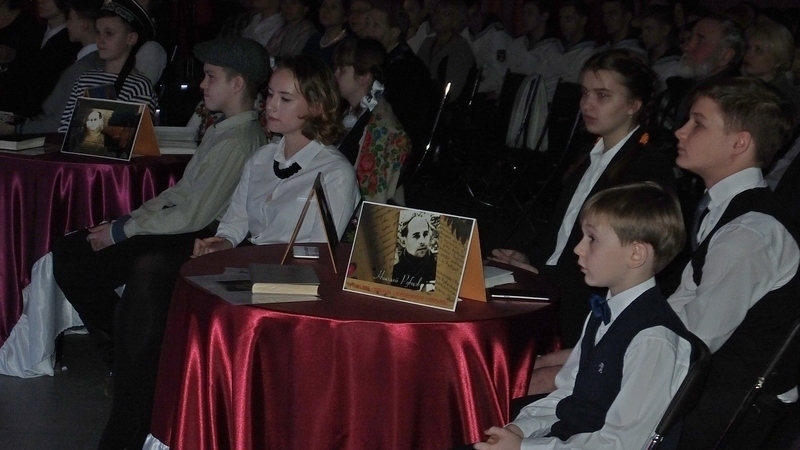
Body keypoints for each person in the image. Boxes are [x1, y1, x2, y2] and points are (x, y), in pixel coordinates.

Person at [51, 36, 271, 449]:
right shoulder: (224, 130)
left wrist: (124, 231)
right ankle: (122, 354)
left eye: (210, 77)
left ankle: (132, 373)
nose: (201, 84)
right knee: (72, 252)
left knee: (131, 268)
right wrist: (126, 222)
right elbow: (181, 194)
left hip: (200, 237)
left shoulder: (241, 139)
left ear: (238, 84)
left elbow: (194, 215)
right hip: (184, 227)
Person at [489, 49, 676, 392]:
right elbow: (562, 229)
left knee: (496, 352)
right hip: (559, 281)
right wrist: (530, 257)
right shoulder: (590, 153)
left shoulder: (645, 168)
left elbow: (620, 264)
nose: (587, 104)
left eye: (602, 96)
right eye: (585, 93)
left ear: (634, 105)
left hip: (587, 302)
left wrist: (543, 275)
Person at [474, 182, 692, 450]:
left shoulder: (652, 340)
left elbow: (622, 443)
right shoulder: (604, 311)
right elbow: (569, 394)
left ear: (636, 254)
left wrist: (524, 447)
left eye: (592, 239)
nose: (578, 248)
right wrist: (520, 428)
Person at [668, 77, 800, 449]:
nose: (680, 131)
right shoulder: (728, 208)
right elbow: (685, 299)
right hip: (713, 382)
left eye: (698, 123)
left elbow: (697, 341)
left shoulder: (749, 233)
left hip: (733, 408)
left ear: (740, 143)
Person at [193, 54, 360, 254]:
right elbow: (235, 224)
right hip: (254, 262)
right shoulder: (261, 158)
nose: (271, 106)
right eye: (270, 95)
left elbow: (321, 252)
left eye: (285, 99)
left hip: (295, 270)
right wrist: (219, 245)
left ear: (316, 106)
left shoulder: (335, 173)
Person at [0, 0, 104, 135]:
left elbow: (60, 119)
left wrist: (16, 129)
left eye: (70, 19)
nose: (67, 24)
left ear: (84, 25)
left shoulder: (84, 65)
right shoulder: (36, 33)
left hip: (44, 132)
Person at [57, 0, 158, 132]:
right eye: (98, 32)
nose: (100, 39)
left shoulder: (138, 86)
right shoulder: (84, 80)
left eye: (109, 33)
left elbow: (133, 136)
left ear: (131, 38)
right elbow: (65, 128)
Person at [364, 0, 437, 178]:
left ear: (394, 32)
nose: (368, 30)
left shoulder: (405, 69)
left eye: (376, 25)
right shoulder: (382, 59)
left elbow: (395, 122)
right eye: (368, 23)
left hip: (395, 148)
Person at [334, 38, 410, 204]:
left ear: (364, 77)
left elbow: (373, 197)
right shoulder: (352, 110)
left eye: (342, 70)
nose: (335, 75)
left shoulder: (380, 127)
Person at [0, 0, 80, 118]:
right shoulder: (34, 31)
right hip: (14, 110)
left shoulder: (71, 41)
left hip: (41, 115)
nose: (41, 2)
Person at [417, 0, 475, 102]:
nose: (438, 17)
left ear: (457, 20)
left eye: (446, 14)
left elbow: (452, 93)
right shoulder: (427, 43)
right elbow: (415, 73)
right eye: (436, 11)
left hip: (441, 105)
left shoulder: (460, 49)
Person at [741, 22, 800, 119]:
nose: (748, 55)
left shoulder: (782, 99)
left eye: (758, 50)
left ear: (778, 59)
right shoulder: (739, 82)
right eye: (748, 47)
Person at [507, 0, 561, 102]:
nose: (524, 17)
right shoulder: (517, 44)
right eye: (523, 13)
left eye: (530, 13)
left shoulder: (553, 49)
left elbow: (549, 90)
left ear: (544, 16)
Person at [461, 0, 511, 99]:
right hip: (471, 90)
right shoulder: (464, 34)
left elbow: (500, 75)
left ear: (482, 11)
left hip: (491, 93)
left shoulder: (497, 34)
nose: (473, 22)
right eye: (468, 19)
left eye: (476, 15)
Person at [640, 4, 682, 91]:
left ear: (665, 30)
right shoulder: (643, 58)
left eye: (649, 29)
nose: (643, 34)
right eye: (642, 30)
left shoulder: (675, 65)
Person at [553, 0, 595, 85]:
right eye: (561, 18)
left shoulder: (588, 52)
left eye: (568, 19)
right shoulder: (556, 45)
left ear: (583, 20)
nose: (562, 23)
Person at [391, 213, 437, 291]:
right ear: (403, 241)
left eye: (425, 234)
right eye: (416, 236)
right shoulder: (394, 272)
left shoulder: (437, 269)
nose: (422, 241)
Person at [302, 0, 355, 69]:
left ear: (345, 16)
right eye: (324, 5)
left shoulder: (349, 45)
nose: (326, 10)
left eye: (334, 7)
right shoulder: (314, 39)